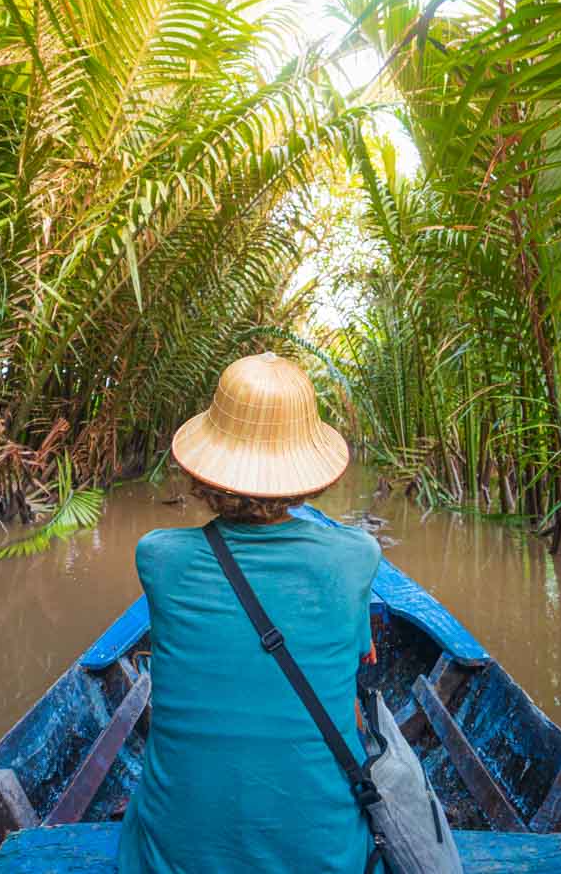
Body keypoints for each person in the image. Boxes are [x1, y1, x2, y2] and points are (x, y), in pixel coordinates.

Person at [117, 352, 382, 874]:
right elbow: (357, 674)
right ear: (309, 473)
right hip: (323, 860)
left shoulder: (158, 557)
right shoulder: (356, 556)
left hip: (175, 861)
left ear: (206, 469)